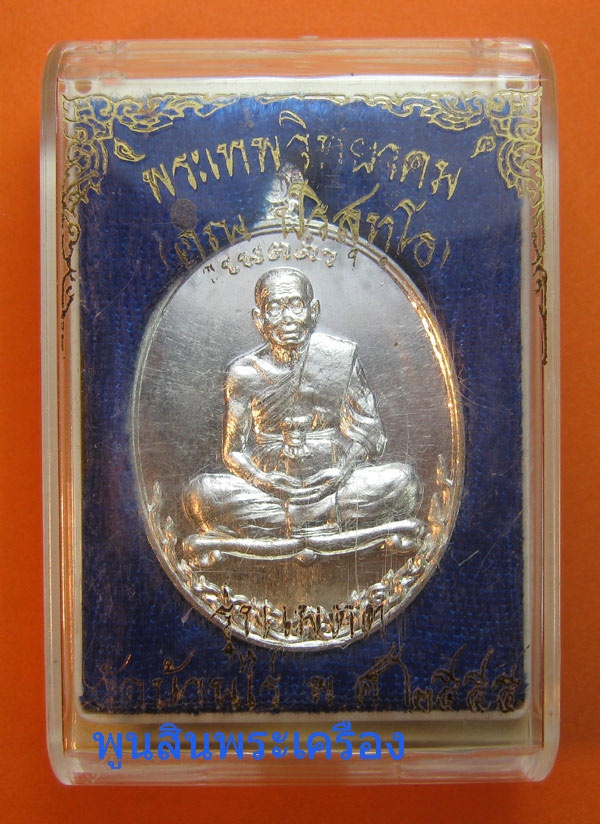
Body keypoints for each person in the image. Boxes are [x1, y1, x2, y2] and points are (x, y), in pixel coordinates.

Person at [185, 267, 421, 539]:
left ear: (313, 311)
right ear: (259, 319)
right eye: (274, 308)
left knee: (404, 483)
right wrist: (264, 481)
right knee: (202, 494)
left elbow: (371, 435)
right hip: (271, 490)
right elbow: (233, 451)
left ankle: (285, 525)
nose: (287, 318)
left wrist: (341, 471)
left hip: (336, 484)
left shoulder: (339, 357)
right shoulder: (244, 373)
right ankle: (323, 520)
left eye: (296, 305)